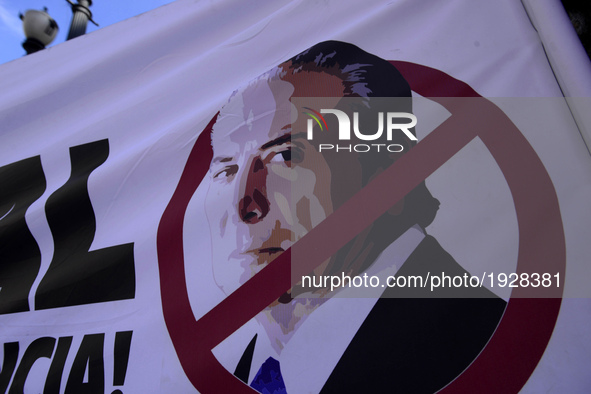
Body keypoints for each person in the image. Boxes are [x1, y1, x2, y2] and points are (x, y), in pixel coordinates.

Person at [203, 40, 506, 393]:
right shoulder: (244, 369)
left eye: (285, 154)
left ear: (386, 178)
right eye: (226, 171)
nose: (245, 207)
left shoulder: (482, 347)